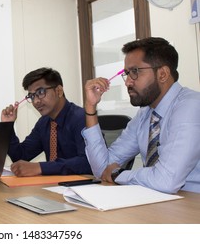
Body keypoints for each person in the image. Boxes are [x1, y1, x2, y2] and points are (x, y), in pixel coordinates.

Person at [83, 37, 200, 194]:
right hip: (160, 202)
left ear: (163, 74)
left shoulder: (191, 106)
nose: (128, 82)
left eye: (135, 72)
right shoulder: (146, 114)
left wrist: (119, 174)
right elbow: (102, 169)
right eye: (126, 73)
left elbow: (166, 180)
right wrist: (90, 108)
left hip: (192, 204)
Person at [1, 67, 92, 177]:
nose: (36, 101)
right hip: (53, 188)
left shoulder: (81, 118)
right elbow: (21, 156)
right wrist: (7, 126)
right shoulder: (44, 123)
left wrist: (41, 167)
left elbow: (88, 162)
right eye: (32, 96)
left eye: (40, 92)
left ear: (59, 91)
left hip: (83, 188)